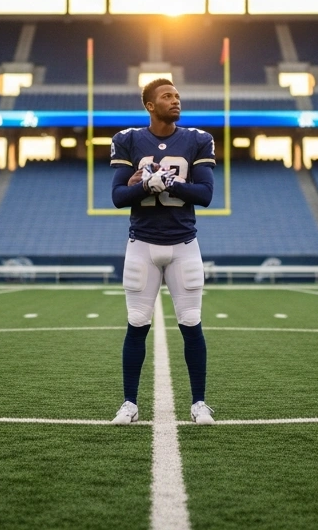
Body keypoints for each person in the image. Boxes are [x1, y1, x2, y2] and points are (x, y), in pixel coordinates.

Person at [108, 77, 216, 425]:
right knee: (137, 323)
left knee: (191, 323)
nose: (175, 100)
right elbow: (117, 197)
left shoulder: (198, 139)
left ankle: (199, 402)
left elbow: (205, 194)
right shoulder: (128, 139)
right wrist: (145, 184)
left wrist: (169, 182)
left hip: (184, 244)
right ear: (150, 106)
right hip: (142, 243)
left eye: (177, 95)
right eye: (167, 96)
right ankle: (129, 403)